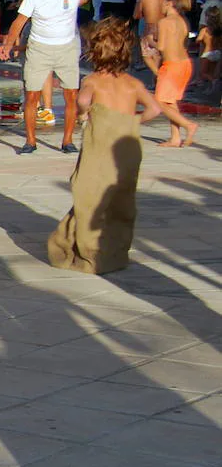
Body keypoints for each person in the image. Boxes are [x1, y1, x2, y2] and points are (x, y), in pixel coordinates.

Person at [47, 19, 162, 275]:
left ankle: (89, 252)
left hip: (101, 148)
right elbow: (154, 109)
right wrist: (131, 121)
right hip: (128, 150)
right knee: (121, 199)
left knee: (90, 195)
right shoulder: (133, 83)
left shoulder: (94, 81)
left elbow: (83, 101)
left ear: (94, 53)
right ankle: (117, 251)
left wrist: (84, 113)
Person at [0, 0, 102, 155]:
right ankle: (30, 141)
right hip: (39, 48)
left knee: (71, 94)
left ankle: (68, 141)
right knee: (32, 94)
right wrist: (8, 44)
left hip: (68, 47)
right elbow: (19, 21)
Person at [144, 0, 198, 147]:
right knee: (170, 102)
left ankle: (189, 125)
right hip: (185, 64)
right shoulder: (182, 21)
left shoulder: (164, 22)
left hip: (171, 65)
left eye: (163, 0)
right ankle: (175, 137)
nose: (160, 3)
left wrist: (149, 40)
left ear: (170, 3)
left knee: (159, 101)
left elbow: (161, 46)